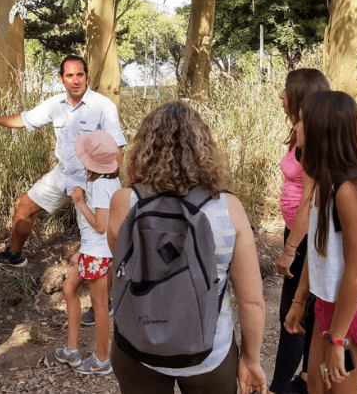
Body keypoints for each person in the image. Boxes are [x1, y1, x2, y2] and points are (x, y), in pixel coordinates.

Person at [106, 100, 267, 394]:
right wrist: (250, 359)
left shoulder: (124, 202)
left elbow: (121, 268)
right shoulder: (229, 209)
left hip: (137, 344)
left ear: (145, 147)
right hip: (208, 352)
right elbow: (252, 301)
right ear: (203, 148)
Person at [0, 55, 126, 267]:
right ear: (61, 78)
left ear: (87, 77)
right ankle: (14, 256)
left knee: (99, 236)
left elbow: (118, 149)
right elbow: (24, 119)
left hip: (92, 180)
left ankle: (110, 282)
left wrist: (105, 184)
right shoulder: (55, 104)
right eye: (70, 75)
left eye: (80, 75)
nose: (75, 80)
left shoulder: (103, 106)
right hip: (63, 174)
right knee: (22, 206)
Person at [285, 91, 357, 394]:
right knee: (316, 386)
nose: (295, 127)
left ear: (322, 129)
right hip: (331, 300)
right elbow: (319, 251)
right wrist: (300, 299)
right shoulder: (325, 181)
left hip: (356, 305)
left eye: (303, 121)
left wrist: (337, 339)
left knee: (338, 390)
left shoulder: (351, 190)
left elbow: (356, 274)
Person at [270, 69, 330, 394]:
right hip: (297, 233)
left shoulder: (311, 136)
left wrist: (290, 248)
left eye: (286, 89)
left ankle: (278, 389)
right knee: (304, 309)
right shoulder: (302, 131)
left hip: (304, 238)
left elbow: (310, 202)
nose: (281, 95)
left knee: (292, 313)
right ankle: (305, 378)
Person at [55, 131, 120, 375]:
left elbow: (101, 225)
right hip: (93, 250)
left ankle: (102, 358)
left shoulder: (102, 185)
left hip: (98, 253)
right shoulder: (106, 180)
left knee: (100, 305)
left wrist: (80, 202)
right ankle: (71, 349)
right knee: (69, 288)